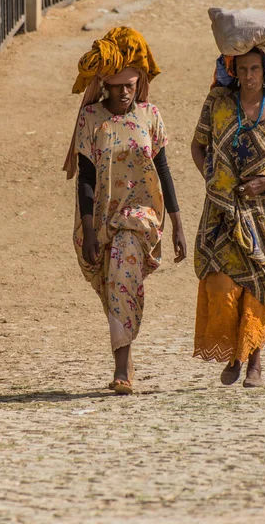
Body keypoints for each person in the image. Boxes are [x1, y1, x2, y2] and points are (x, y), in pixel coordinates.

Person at [64, 27, 186, 395]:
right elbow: (85, 178)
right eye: (116, 85)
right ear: (104, 85)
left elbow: (162, 169)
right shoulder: (91, 120)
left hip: (141, 217)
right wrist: (87, 229)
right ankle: (126, 353)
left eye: (130, 84)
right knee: (110, 285)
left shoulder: (150, 116)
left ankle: (121, 368)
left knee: (121, 275)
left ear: (140, 83)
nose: (123, 91)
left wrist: (178, 224)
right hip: (101, 218)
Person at [191, 46, 265, 388]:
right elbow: (198, 145)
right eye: (242, 69)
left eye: (255, 68)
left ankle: (254, 362)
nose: (249, 76)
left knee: (260, 287)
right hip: (223, 210)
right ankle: (233, 355)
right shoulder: (217, 105)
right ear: (234, 70)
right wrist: (212, 179)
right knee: (224, 284)